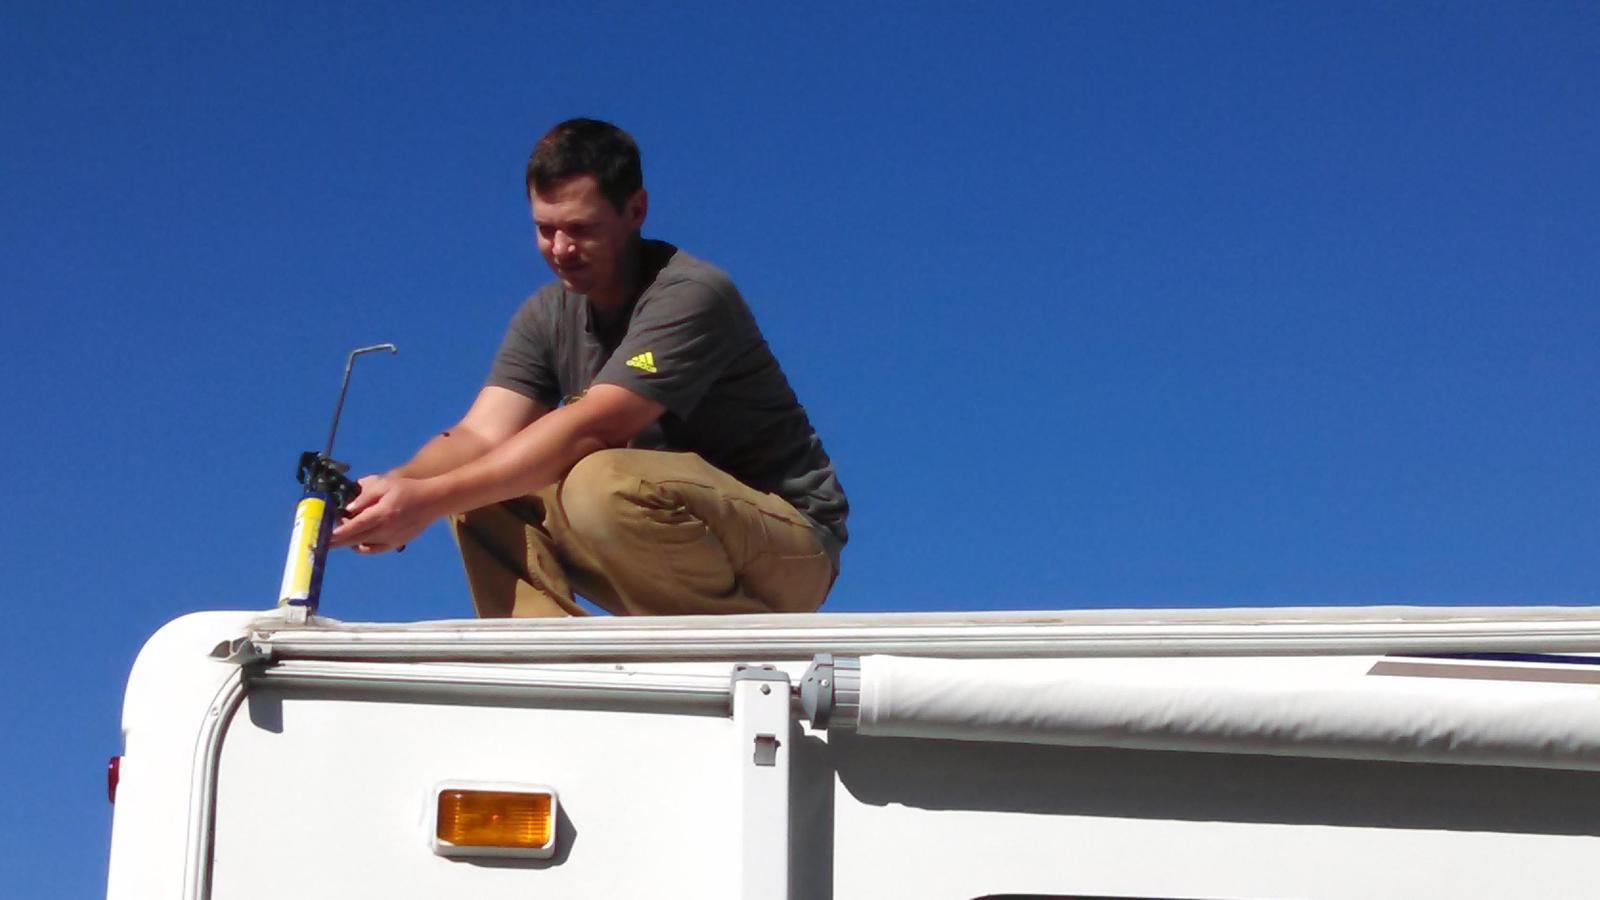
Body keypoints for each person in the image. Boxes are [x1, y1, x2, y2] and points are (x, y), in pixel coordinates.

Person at [330, 118, 848, 617]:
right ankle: (545, 670)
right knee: (474, 493)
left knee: (598, 481)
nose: (560, 249)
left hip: (789, 545)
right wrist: (392, 491)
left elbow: (594, 425)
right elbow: (479, 435)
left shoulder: (691, 293)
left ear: (636, 209)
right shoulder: (546, 314)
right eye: (544, 229)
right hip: (654, 550)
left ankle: (716, 651)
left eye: (580, 228)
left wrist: (425, 501)